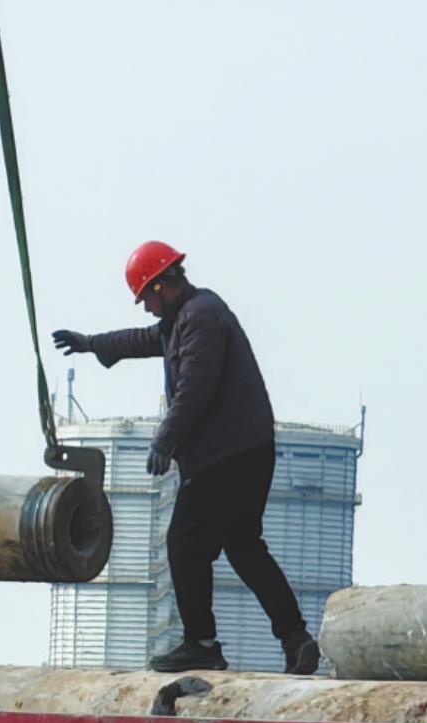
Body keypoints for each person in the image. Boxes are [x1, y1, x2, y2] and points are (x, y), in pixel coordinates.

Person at [52, 241, 320, 674]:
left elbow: (195, 389)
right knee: (244, 547)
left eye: (147, 297)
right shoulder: (185, 317)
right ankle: (296, 638)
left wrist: (164, 442)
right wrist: (92, 344)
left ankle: (202, 642)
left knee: (185, 544)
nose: (146, 308)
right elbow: (144, 339)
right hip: (246, 452)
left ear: (162, 285)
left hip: (225, 458)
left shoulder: (201, 318)